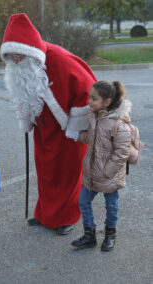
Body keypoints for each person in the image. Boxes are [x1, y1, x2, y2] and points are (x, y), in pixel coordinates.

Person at [0, 13, 97, 234]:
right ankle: (45, 215)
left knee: (67, 174)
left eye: (19, 56)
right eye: (11, 56)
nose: (15, 61)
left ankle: (67, 218)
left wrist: (75, 127)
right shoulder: (19, 66)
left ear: (29, 50)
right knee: (46, 173)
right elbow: (21, 94)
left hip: (69, 129)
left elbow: (88, 90)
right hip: (43, 128)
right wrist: (26, 120)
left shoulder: (60, 60)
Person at [71, 80, 131, 251]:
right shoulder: (93, 116)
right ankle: (90, 235)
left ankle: (110, 234)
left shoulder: (119, 125)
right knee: (83, 201)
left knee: (111, 205)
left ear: (107, 102)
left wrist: (106, 171)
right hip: (92, 172)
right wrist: (76, 135)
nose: (89, 102)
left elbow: (121, 153)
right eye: (90, 97)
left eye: (94, 99)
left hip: (108, 175)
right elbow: (93, 139)